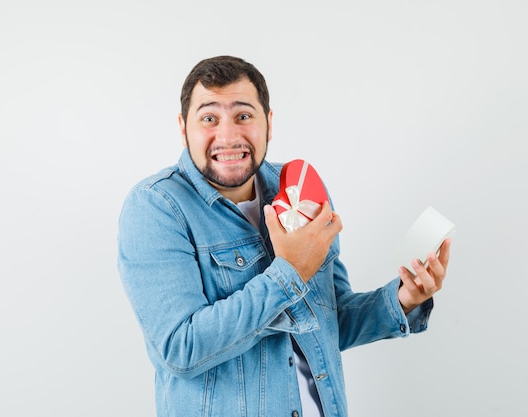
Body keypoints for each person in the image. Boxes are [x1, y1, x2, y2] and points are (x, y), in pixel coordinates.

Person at [117, 55, 451, 417]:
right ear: (183, 128)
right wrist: (289, 272)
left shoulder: (301, 190)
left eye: (243, 116)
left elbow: (328, 322)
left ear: (269, 124)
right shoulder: (156, 207)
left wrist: (403, 298)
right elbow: (180, 350)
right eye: (209, 118)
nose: (228, 136)